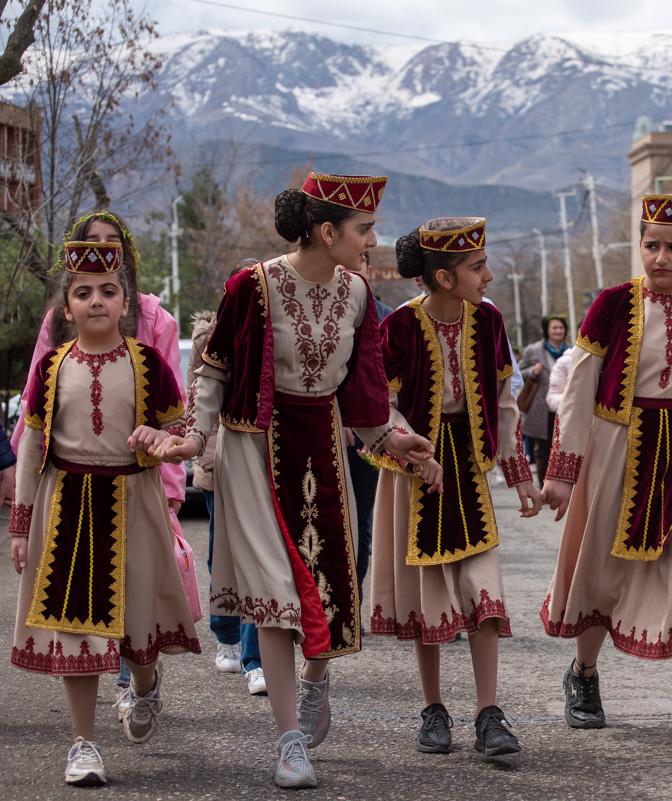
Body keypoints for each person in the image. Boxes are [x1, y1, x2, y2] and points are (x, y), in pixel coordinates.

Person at [154, 172, 428, 788]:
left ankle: (315, 679)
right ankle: (289, 743)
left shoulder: (357, 292)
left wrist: (395, 439)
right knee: (275, 595)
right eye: (364, 230)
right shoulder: (251, 285)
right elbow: (214, 370)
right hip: (255, 447)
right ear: (327, 231)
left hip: (323, 443)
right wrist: (195, 439)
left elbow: (365, 391)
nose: (372, 241)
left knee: (333, 583)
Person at [540, 194, 672, 760]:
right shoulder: (610, 304)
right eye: (651, 245)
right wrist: (563, 472)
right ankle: (583, 673)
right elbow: (579, 391)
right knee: (599, 572)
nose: (660, 257)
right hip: (617, 448)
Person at [9, 240, 200, 786]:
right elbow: (32, 446)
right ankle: (83, 743)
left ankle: (144, 684)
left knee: (137, 624)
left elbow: (184, 433)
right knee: (77, 630)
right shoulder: (51, 368)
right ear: (66, 308)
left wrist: (163, 441)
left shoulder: (149, 364)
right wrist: (21, 525)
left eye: (108, 291)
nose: (96, 300)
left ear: (125, 302)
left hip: (134, 504)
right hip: (67, 507)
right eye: (83, 292)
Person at [370, 217, 540, 757]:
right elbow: (381, 406)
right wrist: (411, 446)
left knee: (483, 590)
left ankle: (489, 713)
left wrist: (519, 473)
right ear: (444, 277)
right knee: (428, 596)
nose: (488, 276)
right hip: (414, 473)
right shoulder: (398, 327)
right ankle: (434, 709)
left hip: (468, 467)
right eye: (477, 267)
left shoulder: (488, 320)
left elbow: (504, 403)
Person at [188, 259, 265, 696]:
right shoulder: (208, 338)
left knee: (257, 557)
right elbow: (199, 397)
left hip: (262, 459)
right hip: (219, 459)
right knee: (222, 552)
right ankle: (227, 635)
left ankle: (256, 657)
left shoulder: (273, 330)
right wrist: (203, 451)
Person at [344, 251, 395, 597]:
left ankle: (353, 599)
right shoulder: (321, 311)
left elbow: (389, 385)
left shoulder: (386, 318)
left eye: (358, 264)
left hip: (371, 438)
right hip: (325, 430)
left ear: (370, 271)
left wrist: (374, 429)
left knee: (359, 520)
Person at [519, 315, 569, 485]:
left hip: (565, 406)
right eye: (554, 327)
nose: (558, 331)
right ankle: (544, 485)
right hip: (541, 407)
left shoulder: (571, 350)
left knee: (565, 448)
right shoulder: (533, 350)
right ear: (547, 330)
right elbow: (519, 373)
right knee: (542, 449)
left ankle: (563, 486)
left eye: (561, 328)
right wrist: (533, 371)